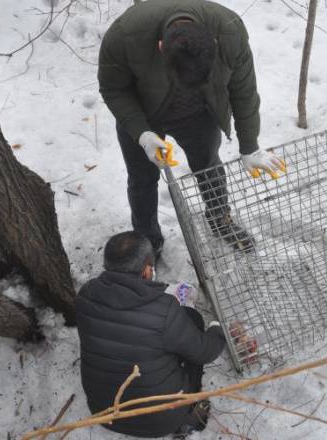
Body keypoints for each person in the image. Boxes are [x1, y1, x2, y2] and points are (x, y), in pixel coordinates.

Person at [98, 0, 286, 256]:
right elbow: (113, 88)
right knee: (142, 179)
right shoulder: (124, 36)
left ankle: (220, 219)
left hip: (199, 112)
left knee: (209, 166)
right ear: (161, 47)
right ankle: (147, 241)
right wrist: (141, 133)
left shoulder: (229, 31)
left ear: (214, 44)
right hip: (142, 111)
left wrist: (250, 146)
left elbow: (244, 91)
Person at [75, 231, 226, 437]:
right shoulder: (163, 310)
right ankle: (189, 416)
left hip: (105, 413)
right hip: (160, 420)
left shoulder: (86, 294)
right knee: (194, 322)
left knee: (174, 326)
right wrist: (218, 329)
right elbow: (205, 352)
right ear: (147, 271)